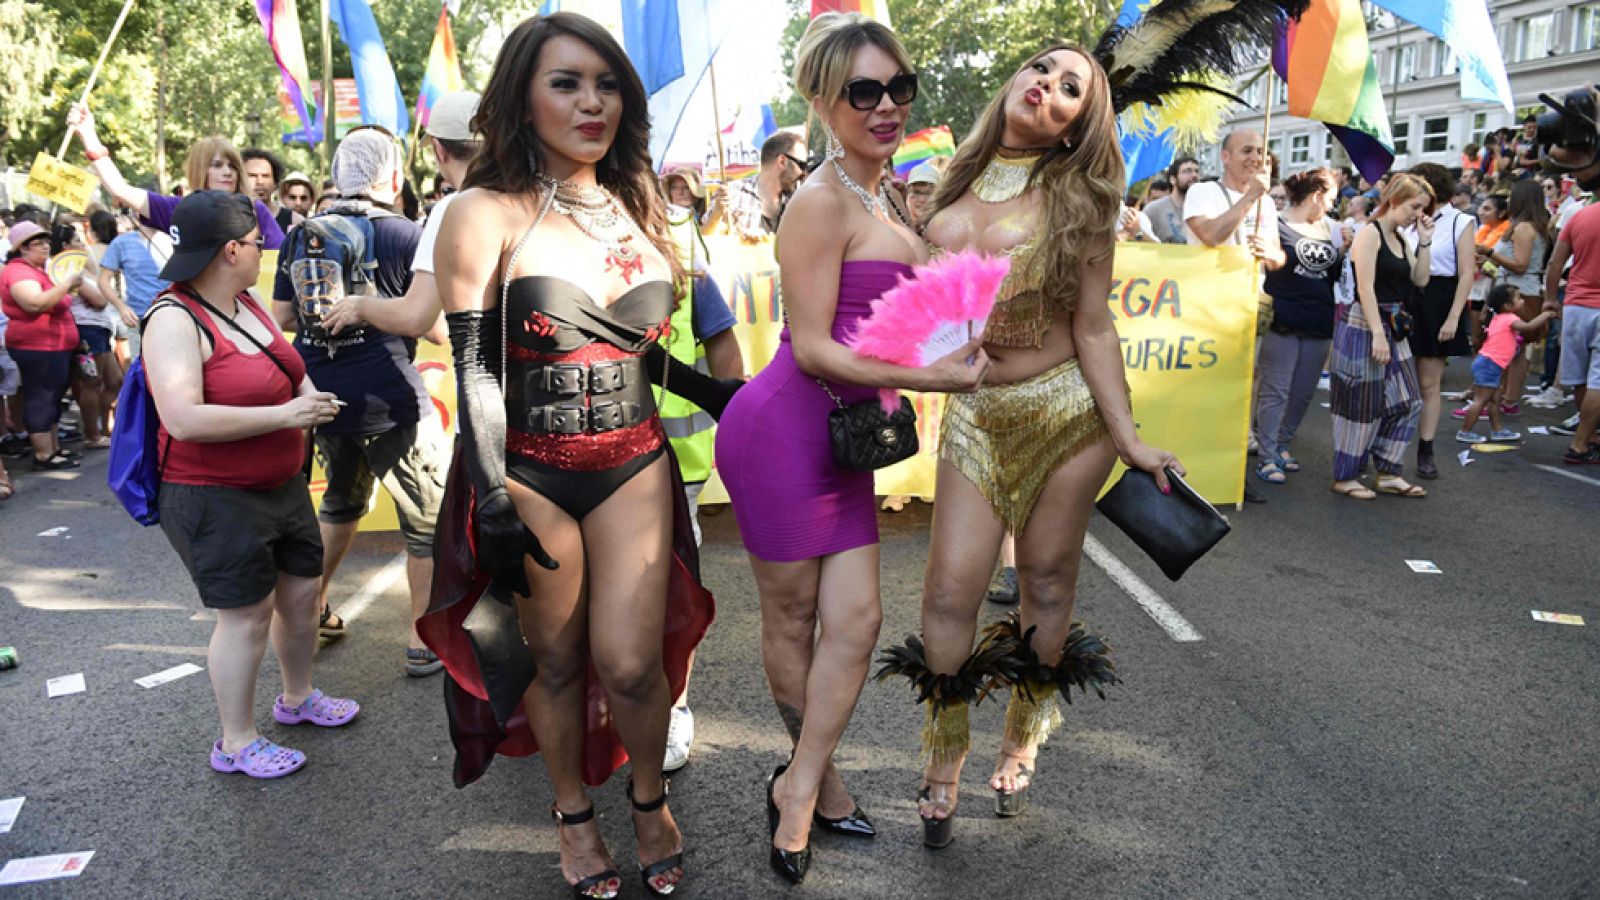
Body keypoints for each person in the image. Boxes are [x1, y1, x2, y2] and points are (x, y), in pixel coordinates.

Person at [417, 14, 733, 897]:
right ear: (523, 93)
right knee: (554, 659)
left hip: (633, 460)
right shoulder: (482, 212)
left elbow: (635, 349)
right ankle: (573, 814)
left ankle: (645, 797)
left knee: (633, 662)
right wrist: (490, 499)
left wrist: (724, 400)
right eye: (566, 82)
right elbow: (477, 368)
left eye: (606, 84)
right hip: (527, 467)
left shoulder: (640, 204)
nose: (591, 101)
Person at [714, 12, 988, 882]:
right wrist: (936, 381)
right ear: (824, 101)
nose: (885, 105)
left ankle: (795, 781)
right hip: (784, 433)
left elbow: (900, 322)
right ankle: (813, 789)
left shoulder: (885, 195)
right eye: (862, 92)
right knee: (795, 619)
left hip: (841, 440)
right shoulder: (820, 202)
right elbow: (813, 348)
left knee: (859, 623)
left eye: (897, 87)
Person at [901, 37, 1183, 852]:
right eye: (1041, 71)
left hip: (1065, 412)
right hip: (978, 414)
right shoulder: (950, 178)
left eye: (1072, 91)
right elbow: (926, 310)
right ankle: (946, 753)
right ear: (1014, 80)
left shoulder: (1081, 201)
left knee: (1049, 581)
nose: (1049, 89)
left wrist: (1128, 437)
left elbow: (1093, 325)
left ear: (1074, 128)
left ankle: (1023, 735)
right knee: (951, 591)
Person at [142, 191, 357, 778]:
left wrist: (307, 395)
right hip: (212, 495)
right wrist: (286, 417)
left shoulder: (246, 301)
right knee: (246, 615)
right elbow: (183, 419)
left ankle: (298, 697)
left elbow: (289, 365)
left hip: (280, 483)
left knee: (298, 594)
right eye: (259, 243)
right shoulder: (172, 318)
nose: (265, 250)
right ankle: (236, 742)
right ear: (231, 249)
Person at [270, 128, 448, 677]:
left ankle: (314, 610)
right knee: (427, 520)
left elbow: (282, 320)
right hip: (390, 398)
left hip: (322, 393)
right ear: (392, 179)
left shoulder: (302, 234)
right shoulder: (406, 233)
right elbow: (436, 328)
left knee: (341, 505)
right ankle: (424, 640)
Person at [659, 179, 746, 775]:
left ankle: (672, 708)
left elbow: (722, 346)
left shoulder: (684, 257)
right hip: (584, 463)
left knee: (670, 590)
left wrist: (737, 424)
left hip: (675, 467)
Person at [319, 90, 482, 345]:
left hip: (485, 369)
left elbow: (415, 317)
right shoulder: (530, 196)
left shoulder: (453, 208)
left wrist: (360, 306)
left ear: (439, 150)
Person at [1331, 173, 1433, 500]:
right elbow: (1364, 287)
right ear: (1395, 199)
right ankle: (1345, 475)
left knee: (1408, 400)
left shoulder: (1402, 239)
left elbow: (1420, 279)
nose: (1418, 213)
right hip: (1367, 322)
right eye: (1415, 206)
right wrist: (1377, 333)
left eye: (1423, 208)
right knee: (1360, 403)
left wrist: (1426, 240)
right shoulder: (1369, 234)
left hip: (1393, 324)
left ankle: (1388, 470)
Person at [67, 105, 286, 250]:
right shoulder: (178, 209)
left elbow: (280, 259)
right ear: (200, 171)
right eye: (217, 165)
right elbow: (119, 189)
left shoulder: (255, 211)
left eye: (233, 166)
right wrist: (89, 136)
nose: (228, 172)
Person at [1253, 168, 1341, 484]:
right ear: (1317, 195)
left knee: (1303, 393)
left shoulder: (1333, 228)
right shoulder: (1275, 224)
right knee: (1275, 391)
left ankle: (1282, 444)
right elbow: (1272, 264)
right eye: (1330, 198)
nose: (1332, 205)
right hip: (1283, 319)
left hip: (1319, 320)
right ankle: (1266, 455)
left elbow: (1336, 276)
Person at [1405, 163, 1476, 480]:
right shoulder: (1407, 217)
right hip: (1406, 297)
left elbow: (1466, 274)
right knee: (1394, 380)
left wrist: (1453, 317)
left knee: (1428, 384)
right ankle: (1382, 446)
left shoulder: (1461, 221)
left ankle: (1426, 449)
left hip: (1439, 300)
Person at [1, 221, 81, 470]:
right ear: (22, 248)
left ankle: (54, 448)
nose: (46, 246)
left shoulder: (41, 269)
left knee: (54, 397)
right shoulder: (18, 272)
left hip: (56, 345)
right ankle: (43, 453)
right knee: (41, 396)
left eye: (47, 242)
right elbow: (34, 303)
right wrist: (66, 284)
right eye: (39, 243)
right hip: (37, 346)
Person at [1482, 181, 1549, 413]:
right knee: (1516, 350)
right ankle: (1508, 400)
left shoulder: (1523, 228)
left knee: (1508, 348)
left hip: (1518, 291)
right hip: (1524, 289)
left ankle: (1503, 400)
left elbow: (1520, 265)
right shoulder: (1532, 226)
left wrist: (1491, 254)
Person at [1545, 188, 1600, 464]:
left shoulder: (1579, 217)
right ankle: (1581, 442)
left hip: (1577, 305)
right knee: (1598, 379)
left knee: (1579, 376)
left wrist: (1550, 299)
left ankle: (1589, 436)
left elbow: (1555, 263)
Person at [1457, 285, 1551, 443]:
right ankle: (1464, 431)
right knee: (1481, 400)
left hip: (1489, 364)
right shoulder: (1510, 319)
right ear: (1507, 306)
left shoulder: (1498, 318)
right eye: (1518, 298)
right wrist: (1546, 314)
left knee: (1495, 400)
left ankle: (1498, 430)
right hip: (1490, 365)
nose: (1521, 301)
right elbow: (1529, 327)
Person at [70, 210, 126, 447]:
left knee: (115, 380)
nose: (81, 244)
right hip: (88, 331)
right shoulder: (69, 271)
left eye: (81, 239)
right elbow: (100, 300)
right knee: (92, 383)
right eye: (75, 241)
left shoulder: (89, 264)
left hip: (105, 328)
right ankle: (93, 434)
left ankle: (106, 426)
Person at [98, 211, 173, 362]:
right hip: (138, 319)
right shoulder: (121, 243)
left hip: (172, 316)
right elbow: (103, 281)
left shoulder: (174, 241)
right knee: (141, 371)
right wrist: (121, 307)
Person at [725, 131, 807, 241]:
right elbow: (705, 242)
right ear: (782, 161)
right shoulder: (733, 194)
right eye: (801, 165)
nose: (804, 173)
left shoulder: (798, 202)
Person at [242, 148, 298, 232]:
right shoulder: (228, 218)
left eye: (265, 176)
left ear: (275, 182)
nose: (260, 182)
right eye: (252, 175)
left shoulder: (294, 221)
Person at [1144, 155, 1197, 243]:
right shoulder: (1153, 209)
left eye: (1197, 171)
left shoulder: (1205, 209)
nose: (1194, 175)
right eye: (1188, 171)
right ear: (1173, 179)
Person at [661, 167, 727, 236]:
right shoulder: (666, 217)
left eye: (686, 187)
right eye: (674, 187)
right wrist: (717, 213)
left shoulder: (704, 214)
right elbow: (699, 236)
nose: (680, 192)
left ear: (696, 194)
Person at [905, 160, 940, 225]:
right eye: (917, 192)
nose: (922, 199)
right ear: (907, 196)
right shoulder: (898, 227)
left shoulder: (944, 229)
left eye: (928, 193)